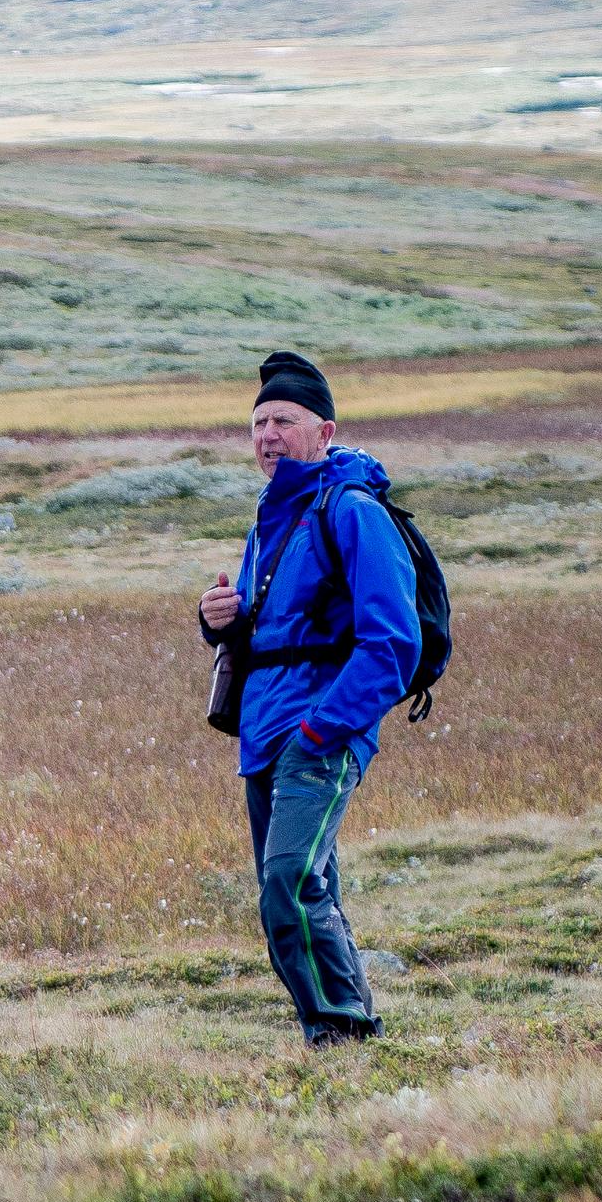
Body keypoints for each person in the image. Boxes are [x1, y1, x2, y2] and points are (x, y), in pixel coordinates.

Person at [197, 350, 419, 1046]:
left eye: (283, 421)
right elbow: (268, 633)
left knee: (288, 884)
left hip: (317, 731)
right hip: (262, 734)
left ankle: (337, 1030)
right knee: (307, 882)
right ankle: (349, 1032)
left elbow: (394, 643)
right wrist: (215, 621)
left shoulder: (352, 512)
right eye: (258, 422)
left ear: (325, 431)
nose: (267, 435)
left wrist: (325, 728)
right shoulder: (267, 522)